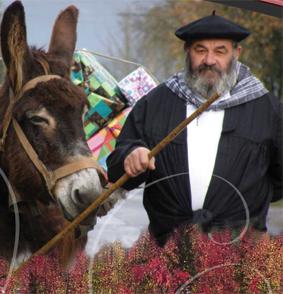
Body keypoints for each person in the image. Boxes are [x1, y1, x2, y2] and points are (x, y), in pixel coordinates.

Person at [106, 11, 282, 247]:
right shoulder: (157, 102)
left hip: (243, 252)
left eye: (220, 51)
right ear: (187, 51)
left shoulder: (265, 107)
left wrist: (238, 206)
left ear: (236, 54)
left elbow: (278, 179)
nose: (209, 60)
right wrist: (131, 156)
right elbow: (119, 169)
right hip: (167, 250)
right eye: (201, 50)